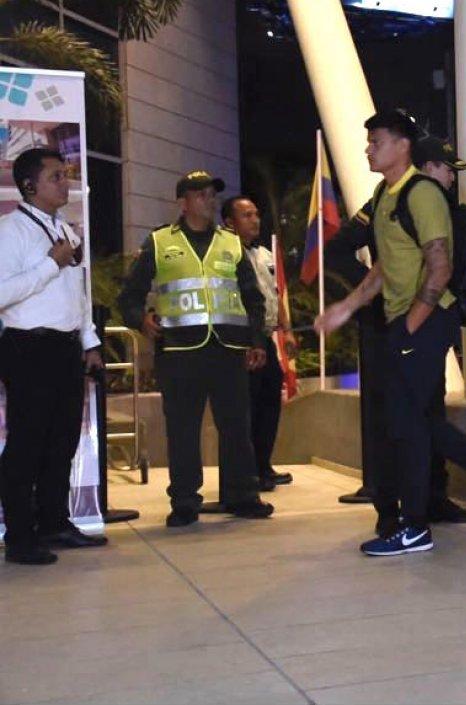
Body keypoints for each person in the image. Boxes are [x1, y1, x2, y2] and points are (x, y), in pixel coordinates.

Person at [315, 109, 466, 556]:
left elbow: (440, 265)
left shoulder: (422, 193)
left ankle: (415, 525)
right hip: (406, 323)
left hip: (426, 321)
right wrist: (346, 307)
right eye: (369, 140)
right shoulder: (385, 194)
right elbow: (384, 269)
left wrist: (410, 328)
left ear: (402, 146)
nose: (368, 148)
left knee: (407, 424)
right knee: (414, 421)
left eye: (377, 140)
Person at [118, 170, 274, 528]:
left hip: (228, 349)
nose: (209, 200)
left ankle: (243, 496)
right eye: (201, 194)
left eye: (212, 194)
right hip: (178, 352)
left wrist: (257, 341)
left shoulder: (231, 242)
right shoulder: (159, 242)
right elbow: (128, 296)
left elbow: (253, 298)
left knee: (236, 426)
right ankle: (185, 501)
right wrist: (141, 321)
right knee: (183, 430)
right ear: (183, 202)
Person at [0, 148, 107, 565]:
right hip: (28, 347)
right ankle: (21, 537)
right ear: (29, 185)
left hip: (64, 348)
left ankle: (55, 523)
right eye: (56, 176)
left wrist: (90, 342)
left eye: (65, 175)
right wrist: (50, 264)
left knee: (62, 441)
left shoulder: (66, 230)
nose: (66, 182)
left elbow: (75, 295)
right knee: (28, 443)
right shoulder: (11, 231)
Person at [221, 195, 295, 492]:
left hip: (265, 336)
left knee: (269, 405)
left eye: (256, 214)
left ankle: (264, 465)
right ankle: (249, 472)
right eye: (246, 215)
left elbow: (276, 294)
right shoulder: (225, 255)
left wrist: (287, 330)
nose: (255, 220)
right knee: (248, 408)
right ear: (229, 222)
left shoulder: (264, 254)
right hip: (240, 339)